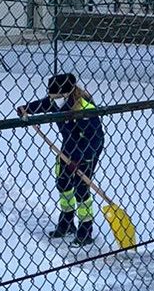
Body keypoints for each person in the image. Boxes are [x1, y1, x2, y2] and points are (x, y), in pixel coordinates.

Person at [19, 73, 104, 246]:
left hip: (87, 152)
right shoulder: (56, 101)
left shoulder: (84, 108)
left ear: (67, 94)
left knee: (81, 190)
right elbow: (44, 104)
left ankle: (85, 229)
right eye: (51, 96)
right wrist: (26, 109)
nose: (53, 100)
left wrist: (83, 159)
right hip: (68, 148)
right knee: (63, 183)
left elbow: (96, 138)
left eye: (56, 97)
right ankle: (66, 223)